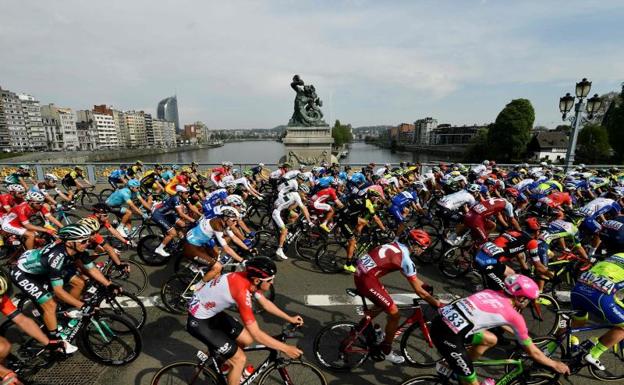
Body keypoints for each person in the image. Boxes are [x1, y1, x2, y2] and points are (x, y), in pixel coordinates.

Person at [431, 275, 569, 385]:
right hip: (449, 337)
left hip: (440, 322)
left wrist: (518, 333)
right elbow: (533, 352)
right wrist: (554, 364)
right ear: (521, 297)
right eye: (528, 300)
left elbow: (494, 318)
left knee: (491, 339)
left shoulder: (489, 292)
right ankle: (460, 369)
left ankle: (461, 369)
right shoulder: (514, 316)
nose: (528, 303)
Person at [186, 257, 303, 385]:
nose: (272, 282)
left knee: (246, 340)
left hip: (210, 312)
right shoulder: (241, 292)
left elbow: (265, 304)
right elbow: (257, 333)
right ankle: (228, 364)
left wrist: (289, 318)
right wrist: (285, 348)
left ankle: (221, 364)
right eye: (270, 280)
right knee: (239, 360)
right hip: (199, 322)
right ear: (257, 280)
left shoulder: (248, 279)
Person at [9, 224, 120, 350]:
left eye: (88, 240)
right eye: (83, 241)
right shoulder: (56, 257)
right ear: (69, 243)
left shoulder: (78, 249)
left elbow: (92, 269)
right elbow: (59, 291)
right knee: (49, 303)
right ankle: (54, 341)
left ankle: (65, 312)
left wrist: (109, 284)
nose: (87, 243)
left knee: (78, 282)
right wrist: (82, 306)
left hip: (42, 268)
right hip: (23, 273)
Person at [354, 229, 439, 364]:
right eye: (422, 247)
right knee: (395, 314)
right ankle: (386, 350)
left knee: (384, 300)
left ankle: (363, 327)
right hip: (367, 280)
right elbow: (419, 291)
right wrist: (437, 304)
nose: (423, 251)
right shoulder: (406, 259)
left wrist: (425, 285)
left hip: (361, 274)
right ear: (414, 245)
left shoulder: (395, 245)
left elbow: (414, 280)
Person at [570, 253, 624, 370]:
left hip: (579, 288)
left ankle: (551, 344)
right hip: (598, 296)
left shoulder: (619, 254)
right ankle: (593, 354)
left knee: (578, 322)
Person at [152, 185, 199, 257]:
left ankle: (180, 240)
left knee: (182, 224)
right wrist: (192, 220)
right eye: (186, 193)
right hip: (159, 215)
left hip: (168, 214)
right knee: (172, 233)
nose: (188, 194)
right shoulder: (176, 198)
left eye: (188, 193)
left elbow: (191, 206)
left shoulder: (183, 197)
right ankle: (159, 249)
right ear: (180, 193)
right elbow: (181, 213)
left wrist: (201, 214)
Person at [272, 183, 312, 260]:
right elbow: (303, 209)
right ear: (300, 191)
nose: (305, 195)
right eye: (304, 193)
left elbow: (292, 206)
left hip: (283, 210)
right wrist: (309, 221)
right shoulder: (296, 195)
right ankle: (279, 250)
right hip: (276, 212)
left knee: (296, 216)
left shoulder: (295, 194)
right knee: (284, 230)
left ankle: (287, 229)